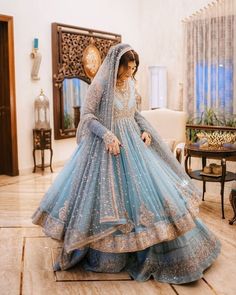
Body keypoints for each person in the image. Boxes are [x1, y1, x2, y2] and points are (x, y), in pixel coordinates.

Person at [32, 43, 221, 284]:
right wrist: (107, 135)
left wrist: (145, 132)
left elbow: (135, 113)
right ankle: (108, 253)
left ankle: (147, 248)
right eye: (127, 68)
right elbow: (87, 116)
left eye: (133, 68)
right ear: (117, 65)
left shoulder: (131, 83)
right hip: (105, 147)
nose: (131, 72)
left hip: (132, 142)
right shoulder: (100, 84)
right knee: (104, 198)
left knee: (145, 195)